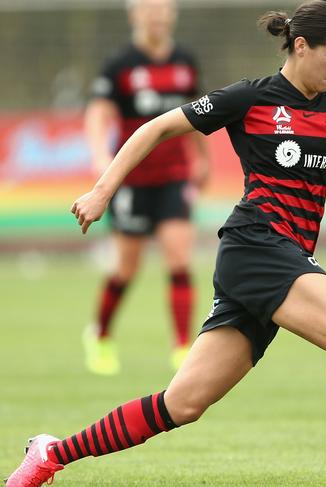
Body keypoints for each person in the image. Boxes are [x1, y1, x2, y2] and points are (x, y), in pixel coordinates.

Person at [5, 1, 326, 486]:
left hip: (278, 257)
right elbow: (156, 127)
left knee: (182, 404)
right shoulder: (252, 98)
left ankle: (52, 453)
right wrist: (102, 190)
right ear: (300, 46)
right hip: (256, 243)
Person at [83, 0, 211, 375]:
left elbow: (198, 111)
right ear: (134, 15)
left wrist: (203, 158)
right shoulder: (120, 63)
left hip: (174, 176)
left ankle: (182, 349)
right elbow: (97, 112)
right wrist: (97, 155)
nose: (156, 16)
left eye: (162, 9)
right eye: (148, 10)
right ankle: (101, 335)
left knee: (179, 259)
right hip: (132, 181)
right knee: (126, 268)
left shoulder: (185, 60)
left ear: (172, 14)